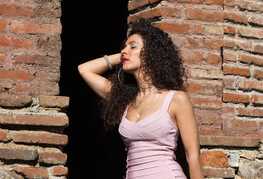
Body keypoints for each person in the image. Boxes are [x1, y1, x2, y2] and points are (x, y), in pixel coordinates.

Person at [78, 19, 203, 179]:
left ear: (151, 54)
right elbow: (84, 70)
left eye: (133, 46)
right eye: (124, 46)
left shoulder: (176, 99)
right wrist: (123, 55)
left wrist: (130, 54)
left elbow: (192, 156)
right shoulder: (124, 100)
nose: (124, 50)